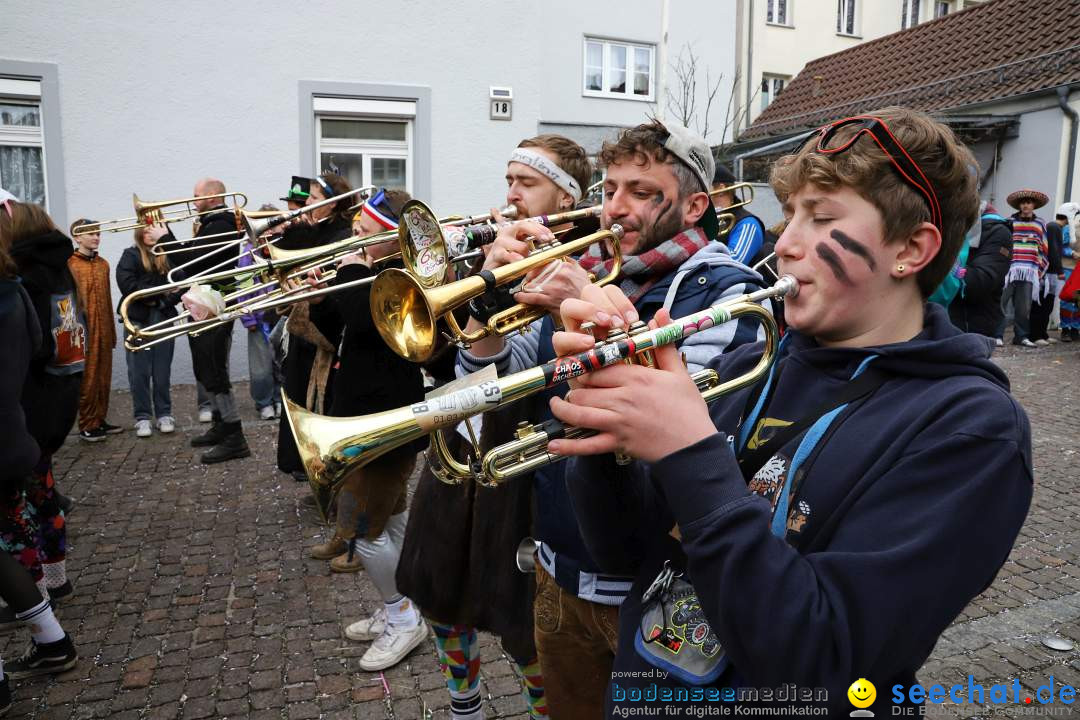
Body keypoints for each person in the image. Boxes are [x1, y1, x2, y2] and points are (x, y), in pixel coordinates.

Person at [547, 108, 1032, 717]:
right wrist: (609, 433)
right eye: (791, 214)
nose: (786, 243)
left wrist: (691, 454)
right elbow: (623, 551)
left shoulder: (970, 426)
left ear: (911, 248)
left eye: (822, 217)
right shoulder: (749, 364)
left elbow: (825, 660)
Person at [451, 124, 767, 718]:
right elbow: (495, 385)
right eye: (610, 186)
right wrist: (487, 305)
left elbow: (676, 443)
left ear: (695, 205)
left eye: (642, 191)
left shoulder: (728, 295)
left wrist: (599, 313)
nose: (614, 207)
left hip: (649, 591)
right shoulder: (591, 269)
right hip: (557, 568)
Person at [397, 134, 598, 720]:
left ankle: (543, 708)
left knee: (522, 618)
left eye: (526, 182)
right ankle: (464, 704)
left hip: (527, 453)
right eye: (509, 178)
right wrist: (485, 288)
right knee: (436, 585)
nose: (510, 193)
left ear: (565, 197)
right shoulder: (493, 255)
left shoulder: (585, 266)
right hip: (463, 444)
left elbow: (536, 370)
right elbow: (468, 373)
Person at [302, 189, 430, 671]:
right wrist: (320, 287)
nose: (352, 239)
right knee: (391, 522)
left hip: (386, 420)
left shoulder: (401, 280)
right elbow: (334, 325)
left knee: (362, 532)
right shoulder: (363, 274)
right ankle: (404, 604)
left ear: (392, 241)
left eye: (363, 234)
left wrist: (350, 270)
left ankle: (402, 618)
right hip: (359, 412)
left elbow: (366, 318)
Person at [1, 196, 82, 601]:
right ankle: (55, 577)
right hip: (58, 399)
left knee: (18, 508)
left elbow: (32, 347)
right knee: (44, 494)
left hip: (31, 404)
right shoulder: (60, 269)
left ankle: (31, 593)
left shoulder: (27, 278)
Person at [150, 178, 249, 462]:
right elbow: (194, 264)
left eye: (197, 195)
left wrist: (164, 237)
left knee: (214, 368)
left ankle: (234, 435)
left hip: (215, 305)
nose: (192, 201)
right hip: (204, 303)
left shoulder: (221, 224)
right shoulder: (209, 222)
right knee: (204, 366)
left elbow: (192, 263)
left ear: (214, 197)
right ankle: (220, 424)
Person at [275, 173, 353, 481]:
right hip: (304, 337)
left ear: (334, 204)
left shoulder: (341, 235)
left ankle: (321, 471)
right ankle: (303, 464)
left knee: (319, 406)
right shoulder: (315, 229)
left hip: (323, 336)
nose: (307, 203)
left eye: (315, 198)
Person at [116, 225, 179, 437]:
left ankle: (164, 414)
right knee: (138, 371)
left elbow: (182, 281)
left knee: (162, 370)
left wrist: (162, 300)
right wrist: (160, 290)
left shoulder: (167, 255)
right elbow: (128, 286)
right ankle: (142, 417)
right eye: (145, 231)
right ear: (139, 234)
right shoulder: (130, 255)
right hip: (137, 317)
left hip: (162, 314)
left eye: (154, 231)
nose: (150, 235)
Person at [67, 219, 120, 441]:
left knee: (103, 376)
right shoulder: (70, 264)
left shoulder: (103, 264)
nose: (96, 237)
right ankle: (87, 423)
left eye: (97, 233)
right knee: (88, 377)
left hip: (104, 327)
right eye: (90, 234)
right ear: (77, 237)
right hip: (83, 330)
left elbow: (107, 298)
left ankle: (99, 419)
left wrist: (111, 331)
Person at [237, 203, 282, 421]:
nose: (271, 230)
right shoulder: (248, 252)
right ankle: (264, 401)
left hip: (280, 312)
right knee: (261, 365)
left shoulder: (284, 247)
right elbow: (244, 285)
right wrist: (248, 317)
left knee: (280, 361)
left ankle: (280, 398)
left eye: (274, 225)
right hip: (259, 314)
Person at [947, 201, 1013, 338]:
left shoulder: (998, 231)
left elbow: (981, 281)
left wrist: (943, 264)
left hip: (971, 328)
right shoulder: (946, 224)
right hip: (938, 323)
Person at [999, 188, 1050, 347]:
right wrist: (1002, 263)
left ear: (1034, 205)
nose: (1026, 205)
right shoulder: (1009, 222)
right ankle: (997, 335)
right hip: (1010, 270)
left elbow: (1044, 247)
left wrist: (1040, 269)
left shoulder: (1040, 223)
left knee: (1024, 307)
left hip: (1029, 270)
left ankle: (1021, 336)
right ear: (1019, 206)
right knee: (1001, 302)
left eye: (1028, 202)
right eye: (1023, 203)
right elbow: (1003, 245)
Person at [713, 164, 766, 266]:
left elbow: (734, 262)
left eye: (704, 185)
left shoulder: (748, 223)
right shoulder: (709, 219)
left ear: (720, 189)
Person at [1029, 200, 1063, 346]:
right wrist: (1060, 270)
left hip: (1049, 271)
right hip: (1048, 273)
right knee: (1042, 304)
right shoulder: (1054, 227)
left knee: (1046, 304)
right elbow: (1053, 251)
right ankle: (1036, 335)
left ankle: (1042, 333)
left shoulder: (1052, 226)